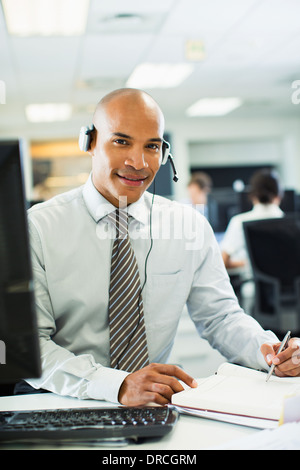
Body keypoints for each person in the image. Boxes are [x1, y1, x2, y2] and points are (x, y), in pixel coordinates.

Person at [23, 89, 300, 406]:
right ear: (90, 142)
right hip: (65, 401)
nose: (138, 162)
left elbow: (221, 317)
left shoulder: (189, 225)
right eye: (121, 141)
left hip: (153, 404)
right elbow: (32, 346)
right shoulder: (38, 228)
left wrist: (267, 351)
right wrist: (117, 384)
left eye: (151, 146)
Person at [221, 169, 284, 271]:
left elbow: (223, 262)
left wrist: (250, 264)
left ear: (252, 195)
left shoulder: (239, 222)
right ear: (279, 195)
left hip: (254, 286)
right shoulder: (294, 224)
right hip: (290, 287)